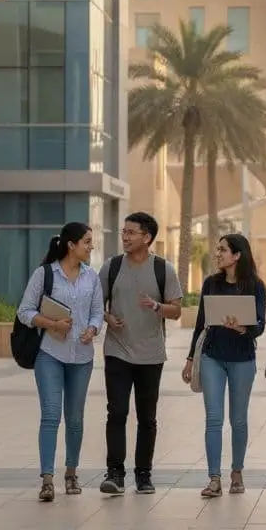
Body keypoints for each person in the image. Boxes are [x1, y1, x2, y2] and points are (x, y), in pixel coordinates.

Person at [15, 222, 104, 502]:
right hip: (50, 354)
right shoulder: (44, 274)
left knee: (75, 419)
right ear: (71, 245)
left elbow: (97, 313)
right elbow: (24, 311)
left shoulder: (92, 277)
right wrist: (51, 323)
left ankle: (71, 472)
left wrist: (92, 329)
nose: (92, 246)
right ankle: (47, 479)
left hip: (82, 357)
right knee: (51, 416)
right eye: (87, 242)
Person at [99, 212, 183, 495]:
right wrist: (107, 318)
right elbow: (95, 306)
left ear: (147, 237)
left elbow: (176, 310)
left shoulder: (163, 269)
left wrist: (157, 307)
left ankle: (143, 474)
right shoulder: (111, 267)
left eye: (131, 232)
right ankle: (115, 473)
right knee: (117, 411)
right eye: (123, 231)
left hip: (151, 354)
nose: (125, 236)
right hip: (117, 350)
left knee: (147, 417)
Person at [181, 233, 266, 498]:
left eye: (222, 250)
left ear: (237, 255)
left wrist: (242, 327)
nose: (217, 253)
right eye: (217, 249)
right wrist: (189, 358)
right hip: (212, 357)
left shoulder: (254, 285)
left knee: (238, 420)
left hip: (242, 358)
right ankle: (214, 478)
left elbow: (260, 326)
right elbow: (200, 323)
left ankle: (237, 472)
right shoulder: (211, 283)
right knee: (214, 419)